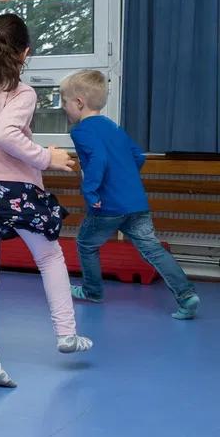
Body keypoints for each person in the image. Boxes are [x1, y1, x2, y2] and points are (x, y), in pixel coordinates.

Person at [0, 13, 92, 388]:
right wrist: (48, 158)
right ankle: (66, 334)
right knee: (49, 256)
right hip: (18, 187)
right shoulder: (21, 92)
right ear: (25, 54)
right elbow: (7, 134)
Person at [60, 69, 199, 319]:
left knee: (85, 243)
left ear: (79, 103)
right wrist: (124, 180)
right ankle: (186, 295)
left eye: (64, 101)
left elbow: (98, 160)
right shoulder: (114, 127)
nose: (62, 107)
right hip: (136, 202)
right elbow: (136, 156)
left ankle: (93, 290)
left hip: (107, 206)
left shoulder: (80, 131)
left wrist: (90, 192)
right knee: (153, 249)